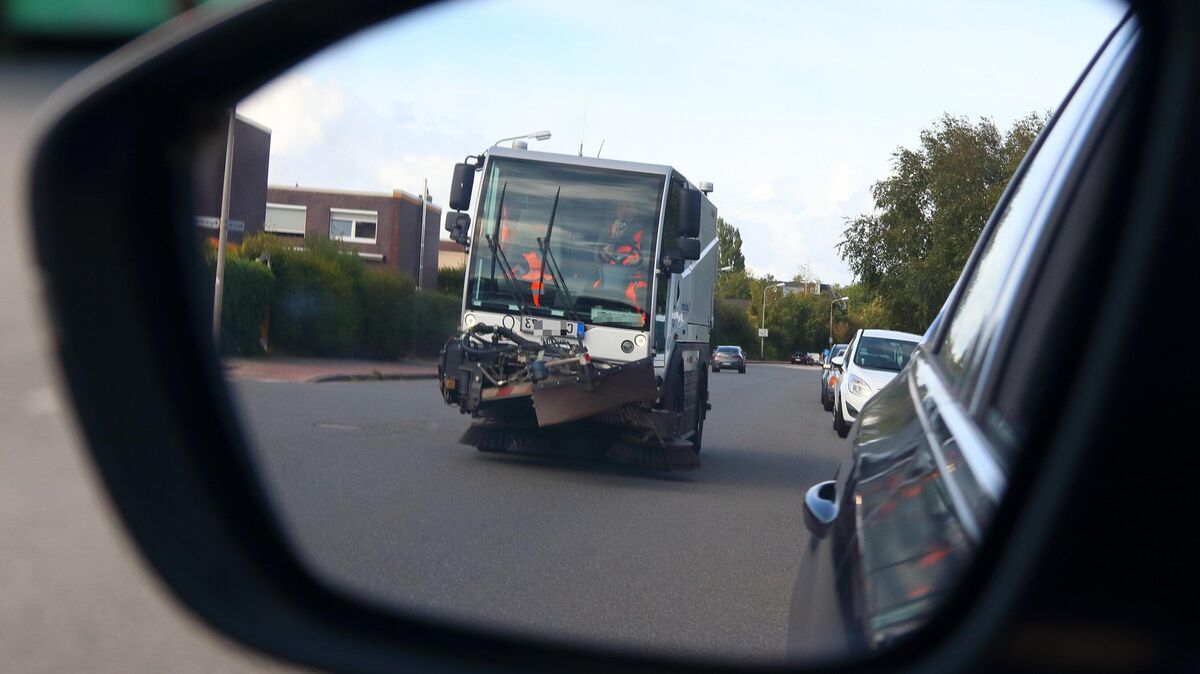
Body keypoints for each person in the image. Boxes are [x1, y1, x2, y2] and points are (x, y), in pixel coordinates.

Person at [592, 203, 649, 314]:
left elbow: (649, 261)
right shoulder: (607, 230)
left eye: (628, 206)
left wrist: (637, 260)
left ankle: (636, 321)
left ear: (635, 211)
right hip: (607, 279)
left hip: (633, 280)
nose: (624, 210)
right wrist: (614, 238)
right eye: (621, 207)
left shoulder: (644, 233)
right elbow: (597, 258)